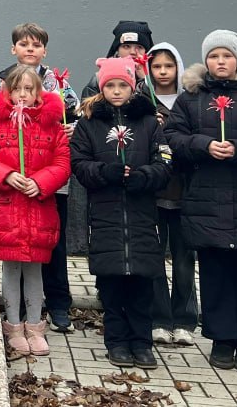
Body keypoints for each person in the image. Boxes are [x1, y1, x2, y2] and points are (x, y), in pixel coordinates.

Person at [165, 30, 237, 372]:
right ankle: (221, 337)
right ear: (206, 60)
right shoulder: (191, 98)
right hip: (206, 197)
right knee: (214, 270)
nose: (220, 61)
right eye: (214, 56)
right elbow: (173, 136)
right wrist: (204, 145)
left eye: (227, 56)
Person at [71, 57, 170, 369]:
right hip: (106, 215)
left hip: (142, 216)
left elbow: (165, 159)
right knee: (111, 285)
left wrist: (145, 176)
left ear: (132, 87)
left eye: (122, 85)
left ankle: (142, 342)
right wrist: (105, 172)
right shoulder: (89, 123)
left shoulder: (149, 122)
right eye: (110, 85)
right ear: (102, 88)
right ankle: (116, 341)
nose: (116, 91)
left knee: (142, 285)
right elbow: (79, 163)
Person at [0, 22, 79, 331]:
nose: (30, 50)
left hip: (47, 182)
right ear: (14, 48)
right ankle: (18, 312)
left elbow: (77, 115)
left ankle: (58, 304)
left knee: (52, 244)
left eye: (36, 45)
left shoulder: (57, 82)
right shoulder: (1, 81)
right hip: (11, 182)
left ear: (44, 50)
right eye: (24, 44)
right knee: (16, 249)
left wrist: (72, 130)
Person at [0, 65, 71, 358]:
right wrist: (5, 175)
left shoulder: (51, 125)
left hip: (38, 208)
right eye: (17, 89)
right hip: (7, 208)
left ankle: (34, 325)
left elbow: (62, 163)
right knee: (11, 268)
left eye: (29, 89)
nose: (22, 94)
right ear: (7, 92)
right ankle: (13, 325)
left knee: (35, 269)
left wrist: (40, 182)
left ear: (38, 92)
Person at [144, 42, 198, 347]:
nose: (163, 72)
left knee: (184, 258)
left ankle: (185, 319)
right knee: (154, 256)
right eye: (157, 67)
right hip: (154, 191)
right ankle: (159, 319)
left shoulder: (189, 101)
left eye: (169, 66)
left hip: (185, 191)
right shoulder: (143, 100)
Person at [81, 20, 153, 98]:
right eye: (126, 46)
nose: (133, 52)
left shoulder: (157, 77)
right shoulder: (99, 79)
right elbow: (87, 104)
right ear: (117, 50)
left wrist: (145, 80)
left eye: (139, 47)